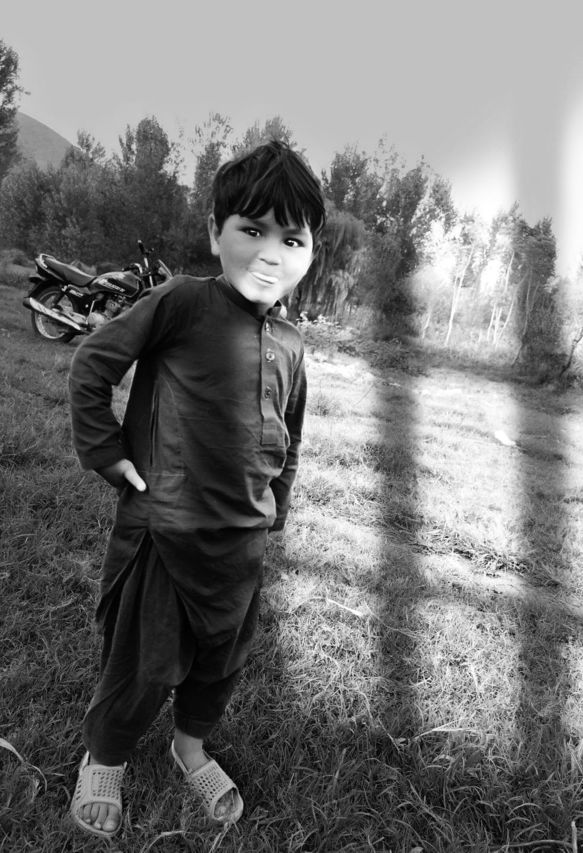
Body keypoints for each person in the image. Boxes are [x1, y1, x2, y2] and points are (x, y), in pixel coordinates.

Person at [67, 140, 326, 839]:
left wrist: (276, 510)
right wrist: (107, 452)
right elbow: (93, 364)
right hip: (167, 532)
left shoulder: (293, 344)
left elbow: (291, 436)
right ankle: (105, 754)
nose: (269, 253)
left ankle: (189, 745)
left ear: (310, 254)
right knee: (144, 663)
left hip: (241, 543)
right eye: (252, 229)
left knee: (220, 661)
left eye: (291, 239)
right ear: (216, 232)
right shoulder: (182, 301)